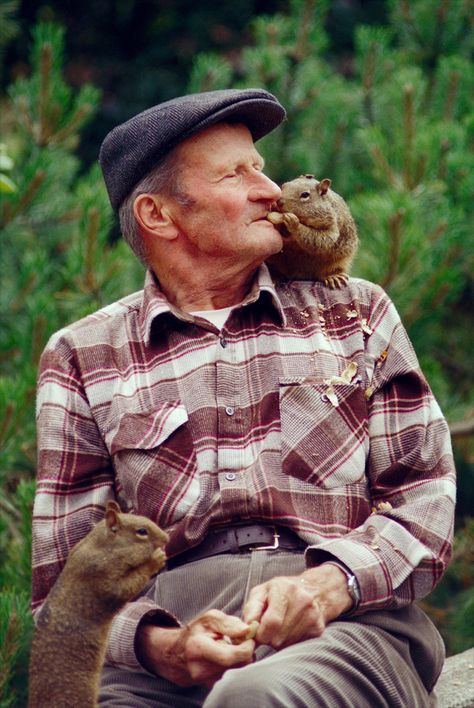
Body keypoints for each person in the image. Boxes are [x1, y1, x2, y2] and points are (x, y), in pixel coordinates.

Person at [33, 88, 456, 707]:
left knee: (252, 697)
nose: (270, 189)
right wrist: (162, 646)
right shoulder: (81, 354)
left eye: (260, 166)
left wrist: (326, 585)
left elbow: (425, 500)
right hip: (158, 657)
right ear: (158, 216)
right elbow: (64, 582)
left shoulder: (356, 312)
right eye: (237, 174)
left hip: (345, 628)